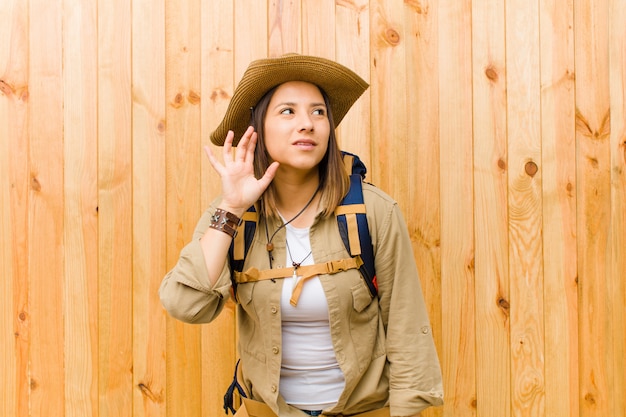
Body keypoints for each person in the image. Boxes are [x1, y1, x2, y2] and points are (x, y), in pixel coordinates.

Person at [159, 53, 443, 417]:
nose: (307, 124)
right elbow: (185, 305)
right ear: (256, 130)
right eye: (288, 111)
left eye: (318, 112)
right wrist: (231, 209)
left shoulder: (374, 211)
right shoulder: (232, 213)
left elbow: (407, 329)